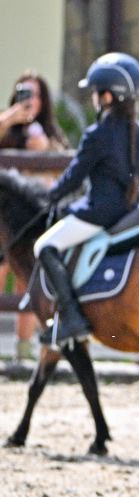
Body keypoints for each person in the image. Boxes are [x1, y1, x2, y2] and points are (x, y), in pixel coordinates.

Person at [35, 52, 139, 348]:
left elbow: (74, 177)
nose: (93, 97)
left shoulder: (97, 133)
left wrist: (48, 197)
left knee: (44, 246)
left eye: (95, 92)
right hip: (128, 212)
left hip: (98, 213)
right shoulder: (137, 130)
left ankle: (72, 318)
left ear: (108, 97)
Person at [0, 71, 68, 360]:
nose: (30, 101)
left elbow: (66, 170)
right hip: (4, 220)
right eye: (24, 92)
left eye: (36, 95)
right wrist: (9, 119)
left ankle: (23, 350)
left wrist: (46, 151)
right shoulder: (7, 127)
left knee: (30, 283)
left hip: (32, 220)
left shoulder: (50, 133)